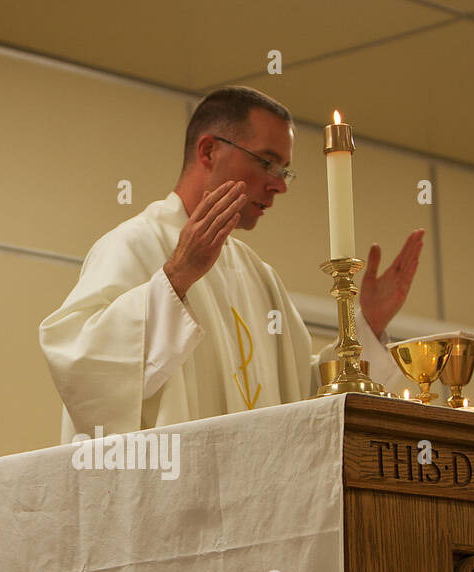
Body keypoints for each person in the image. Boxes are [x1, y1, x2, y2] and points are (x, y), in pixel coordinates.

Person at [40, 85, 424, 442]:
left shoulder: (259, 277)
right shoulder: (134, 245)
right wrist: (175, 279)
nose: (280, 185)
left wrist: (367, 325)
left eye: (285, 170)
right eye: (267, 163)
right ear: (208, 151)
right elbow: (81, 368)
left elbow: (303, 399)